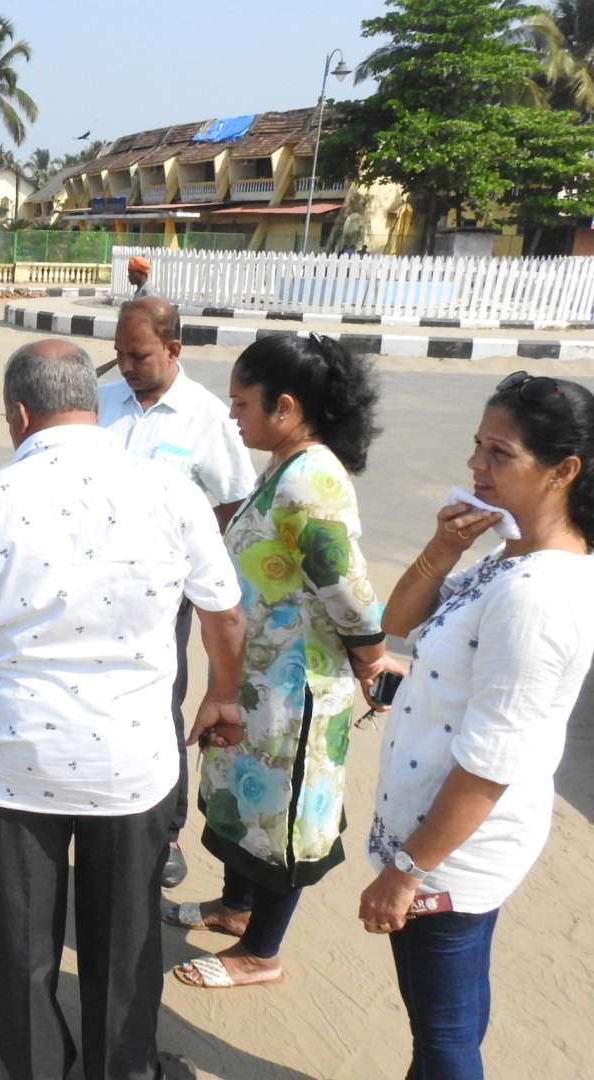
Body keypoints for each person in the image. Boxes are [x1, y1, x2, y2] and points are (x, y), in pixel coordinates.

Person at [0, 338, 245, 1080]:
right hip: (131, 761)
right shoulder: (172, 493)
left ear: (19, 414)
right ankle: (122, 1067)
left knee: (24, 934)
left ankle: (35, 1065)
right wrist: (221, 695)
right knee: (125, 934)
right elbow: (222, 615)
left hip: (13, 761)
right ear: (92, 409)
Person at [361, 372, 594, 1079]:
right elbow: (395, 626)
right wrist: (440, 552)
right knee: (447, 1018)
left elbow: (493, 760)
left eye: (500, 454)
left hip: (451, 855)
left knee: (444, 1036)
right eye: (476, 447)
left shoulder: (539, 597)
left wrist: (405, 872)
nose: (475, 468)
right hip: (438, 839)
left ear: (564, 472)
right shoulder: (508, 555)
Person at [169, 333, 397, 990]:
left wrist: (373, 662)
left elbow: (347, 588)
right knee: (244, 800)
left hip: (293, 691)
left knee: (281, 820)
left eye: (242, 403)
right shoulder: (286, 468)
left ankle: (261, 953)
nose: (232, 415)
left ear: (287, 406)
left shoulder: (313, 481)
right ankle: (235, 909)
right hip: (257, 681)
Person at [95, 297, 257, 889]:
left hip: (165, 594)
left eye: (138, 355)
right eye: (118, 355)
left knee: (161, 701)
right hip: (92, 585)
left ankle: (164, 833)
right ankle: (97, 805)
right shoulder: (101, 403)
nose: (126, 366)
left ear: (173, 350)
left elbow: (236, 497)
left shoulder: (207, 418)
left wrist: (191, 555)